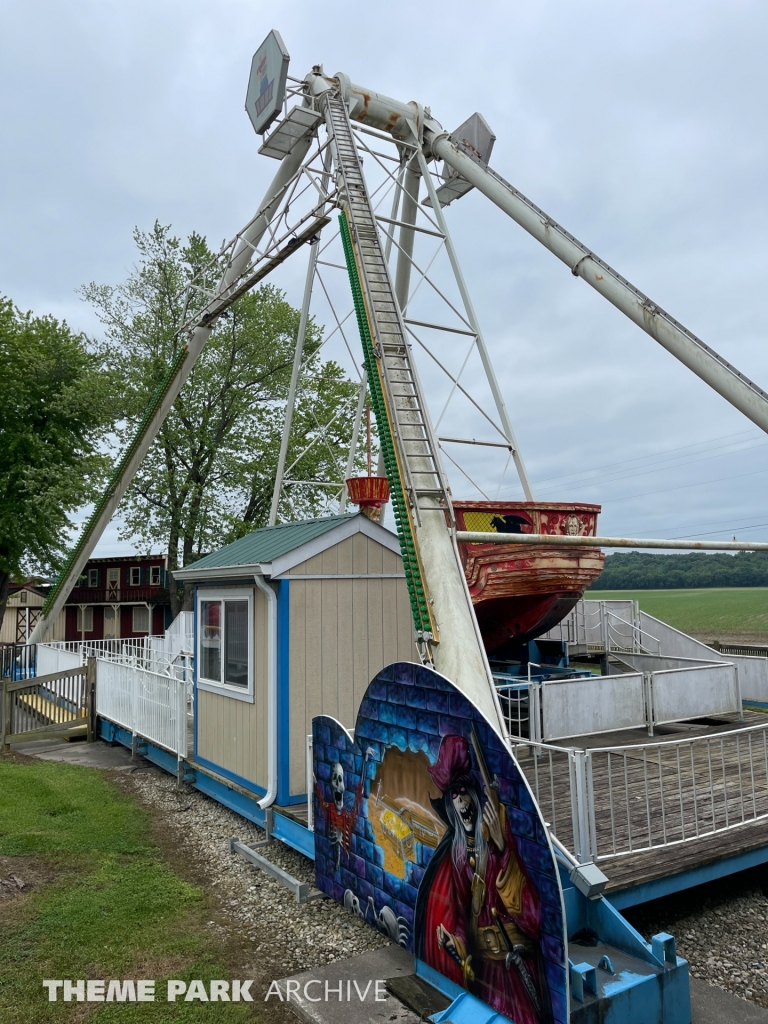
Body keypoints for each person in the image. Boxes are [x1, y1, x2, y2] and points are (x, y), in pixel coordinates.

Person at [414, 735, 550, 1024]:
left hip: (514, 973)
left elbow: (533, 919)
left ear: (475, 798)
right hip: (485, 974)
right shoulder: (460, 856)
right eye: (454, 798)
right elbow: (463, 915)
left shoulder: (500, 841)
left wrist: (502, 850)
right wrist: (457, 943)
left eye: (464, 793)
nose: (460, 801)